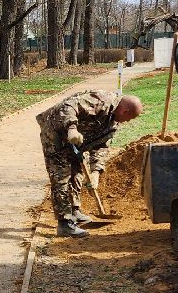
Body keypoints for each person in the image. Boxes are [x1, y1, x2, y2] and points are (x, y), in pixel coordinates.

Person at [36, 90, 144, 238]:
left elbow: (102, 147)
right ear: (125, 110)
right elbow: (68, 107)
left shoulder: (112, 122)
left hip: (77, 143)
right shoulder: (99, 100)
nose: (128, 121)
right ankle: (65, 224)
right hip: (55, 134)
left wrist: (95, 173)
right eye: (130, 118)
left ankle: (74, 211)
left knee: (77, 173)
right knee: (61, 177)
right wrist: (72, 128)